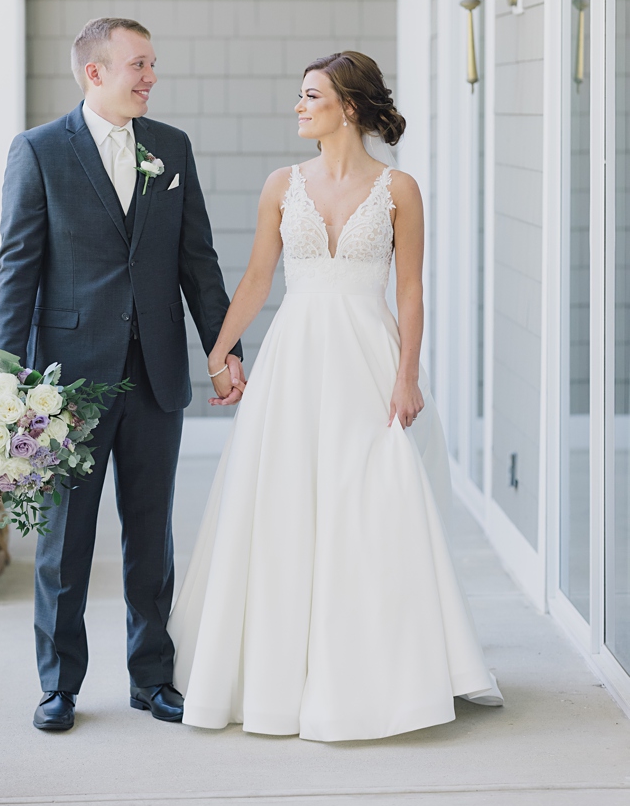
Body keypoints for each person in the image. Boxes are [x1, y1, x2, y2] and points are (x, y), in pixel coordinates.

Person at [168, 51, 503, 741]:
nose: (298, 106)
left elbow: (409, 292)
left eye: (310, 95)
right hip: (296, 360)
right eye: (299, 96)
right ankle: (278, 677)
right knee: (286, 505)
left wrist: (407, 376)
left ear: (347, 107)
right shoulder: (280, 185)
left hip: (368, 359)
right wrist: (219, 352)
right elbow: (259, 279)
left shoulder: (399, 189)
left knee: (372, 503)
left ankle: (382, 673)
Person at [0, 17, 244, 732]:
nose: (151, 77)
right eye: (139, 64)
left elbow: (199, 262)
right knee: (64, 544)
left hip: (157, 376)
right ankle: (59, 686)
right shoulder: (39, 152)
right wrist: (5, 385)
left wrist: (225, 352)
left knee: (151, 536)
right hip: (67, 384)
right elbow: (17, 273)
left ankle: (151, 677)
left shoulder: (172, 149)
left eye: (153, 64)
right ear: (94, 73)